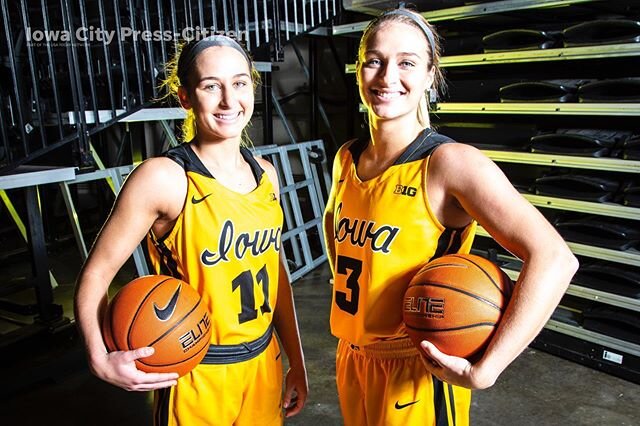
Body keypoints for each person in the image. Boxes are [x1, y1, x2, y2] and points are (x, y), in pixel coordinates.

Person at [322, 7, 578, 426]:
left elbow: (554, 258)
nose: (387, 76)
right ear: (359, 71)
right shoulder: (347, 158)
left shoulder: (450, 163)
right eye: (375, 60)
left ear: (429, 76)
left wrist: (487, 368)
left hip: (418, 369)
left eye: (407, 63)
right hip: (352, 357)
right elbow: (339, 240)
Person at [74, 35, 308, 425]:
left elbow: (275, 274)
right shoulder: (164, 178)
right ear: (185, 97)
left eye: (239, 83)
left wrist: (296, 361)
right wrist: (99, 358)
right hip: (196, 371)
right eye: (211, 86)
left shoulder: (267, 174)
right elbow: (96, 273)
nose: (229, 101)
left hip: (264, 363)